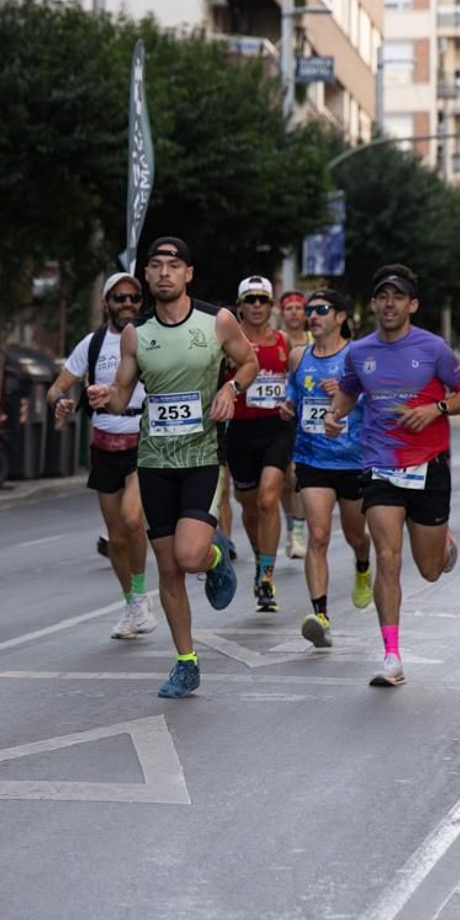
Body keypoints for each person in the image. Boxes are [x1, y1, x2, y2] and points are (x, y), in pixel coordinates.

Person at [90, 236, 258, 699]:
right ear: (146, 275)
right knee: (168, 569)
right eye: (156, 266)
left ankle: (215, 555)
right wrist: (108, 397)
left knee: (189, 556)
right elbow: (125, 393)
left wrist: (230, 391)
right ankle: (186, 661)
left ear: (188, 274)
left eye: (173, 265)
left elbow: (249, 361)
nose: (164, 273)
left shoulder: (217, 320)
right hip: (153, 459)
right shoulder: (135, 334)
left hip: (202, 456)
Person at [324, 265, 460, 687]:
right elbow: (349, 391)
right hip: (380, 466)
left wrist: (437, 408)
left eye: (398, 297)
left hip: (428, 466)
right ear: (373, 303)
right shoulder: (360, 351)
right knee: (387, 558)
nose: (389, 304)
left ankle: (443, 545)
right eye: (382, 296)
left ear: (412, 304)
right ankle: (391, 656)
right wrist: (333, 415)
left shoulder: (434, 349)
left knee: (428, 569)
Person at [48, 272, 155, 640]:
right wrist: (60, 402)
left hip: (143, 440)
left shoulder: (151, 337)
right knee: (115, 537)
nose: (127, 304)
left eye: (134, 298)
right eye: (119, 298)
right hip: (104, 444)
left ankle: (141, 597)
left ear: (142, 303)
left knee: (131, 519)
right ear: (106, 303)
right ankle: (131, 603)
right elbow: (57, 387)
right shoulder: (92, 344)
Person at [282, 289, 372, 648]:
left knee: (354, 536)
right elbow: (294, 392)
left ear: (341, 317)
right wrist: (288, 405)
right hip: (312, 457)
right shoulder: (297, 356)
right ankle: (320, 616)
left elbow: (378, 398)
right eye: (310, 310)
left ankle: (363, 566)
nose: (313, 316)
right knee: (318, 536)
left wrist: (350, 392)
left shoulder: (359, 355)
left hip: (352, 460)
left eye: (321, 310)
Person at [224, 275, 294, 612]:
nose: (256, 306)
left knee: (269, 498)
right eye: (249, 299)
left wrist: (291, 404)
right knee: (249, 505)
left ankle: (267, 576)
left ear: (271, 306)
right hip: (239, 432)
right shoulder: (226, 345)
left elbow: (294, 385)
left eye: (262, 300)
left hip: (276, 429)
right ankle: (260, 559)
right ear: (239, 305)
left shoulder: (283, 343)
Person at [278, 291, 311, 558]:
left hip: (307, 417)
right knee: (283, 483)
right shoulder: (274, 340)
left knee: (296, 475)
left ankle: (298, 534)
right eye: (289, 307)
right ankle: (291, 527)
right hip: (279, 417)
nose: (294, 312)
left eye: (299, 307)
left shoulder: (315, 340)